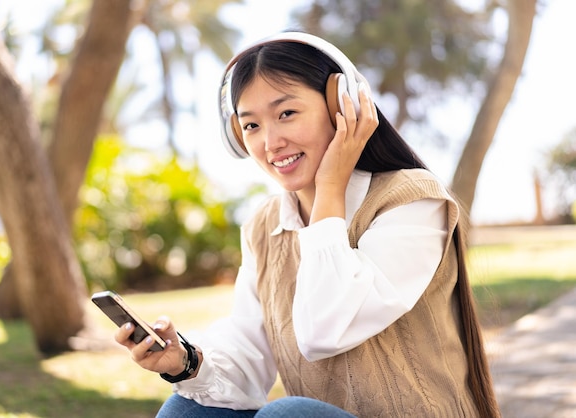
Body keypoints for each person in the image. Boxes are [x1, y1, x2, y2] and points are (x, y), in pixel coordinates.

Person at [115, 32, 501, 418]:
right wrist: (185, 362)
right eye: (251, 126)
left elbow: (323, 332)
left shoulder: (411, 200)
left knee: (285, 415)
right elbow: (249, 357)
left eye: (286, 114)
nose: (270, 142)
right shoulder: (263, 226)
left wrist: (331, 185)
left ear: (342, 106)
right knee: (186, 411)